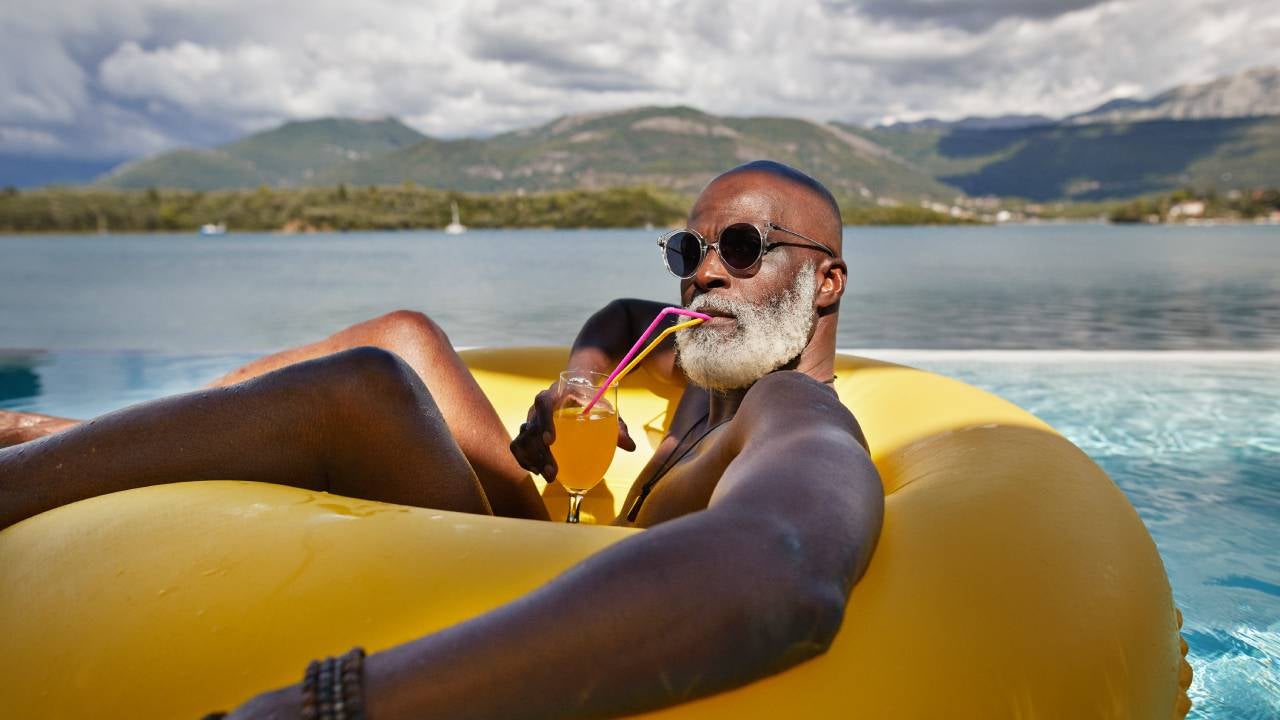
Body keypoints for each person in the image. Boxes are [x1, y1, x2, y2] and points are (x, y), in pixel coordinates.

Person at [0, 161, 884, 720]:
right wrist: (580, 378)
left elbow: (785, 568)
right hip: (550, 527)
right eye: (689, 246)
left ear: (827, 278)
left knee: (364, 390)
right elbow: (623, 317)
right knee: (406, 335)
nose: (704, 270)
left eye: (741, 245)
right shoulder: (707, 358)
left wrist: (333, 703)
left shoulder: (792, 414)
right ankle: (92, 438)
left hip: (556, 586)